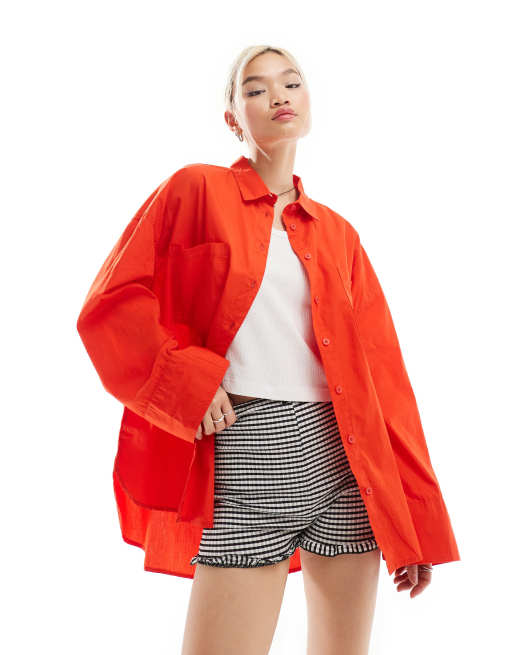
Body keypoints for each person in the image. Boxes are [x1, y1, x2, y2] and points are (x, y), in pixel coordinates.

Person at [76, 45, 460, 655]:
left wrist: (413, 521)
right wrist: (187, 383)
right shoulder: (195, 190)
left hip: (347, 461)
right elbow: (111, 305)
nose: (278, 96)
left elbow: (385, 380)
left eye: (291, 82)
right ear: (233, 117)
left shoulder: (338, 234)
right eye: (255, 89)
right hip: (250, 449)